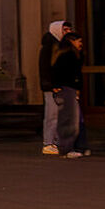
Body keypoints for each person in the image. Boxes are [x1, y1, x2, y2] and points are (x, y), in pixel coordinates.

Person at [42, 20, 87, 157]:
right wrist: (51, 86)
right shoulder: (50, 47)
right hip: (55, 88)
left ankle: (59, 143)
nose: (67, 32)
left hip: (64, 87)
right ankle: (49, 143)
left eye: (69, 29)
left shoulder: (67, 50)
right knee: (53, 116)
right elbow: (46, 69)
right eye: (65, 30)